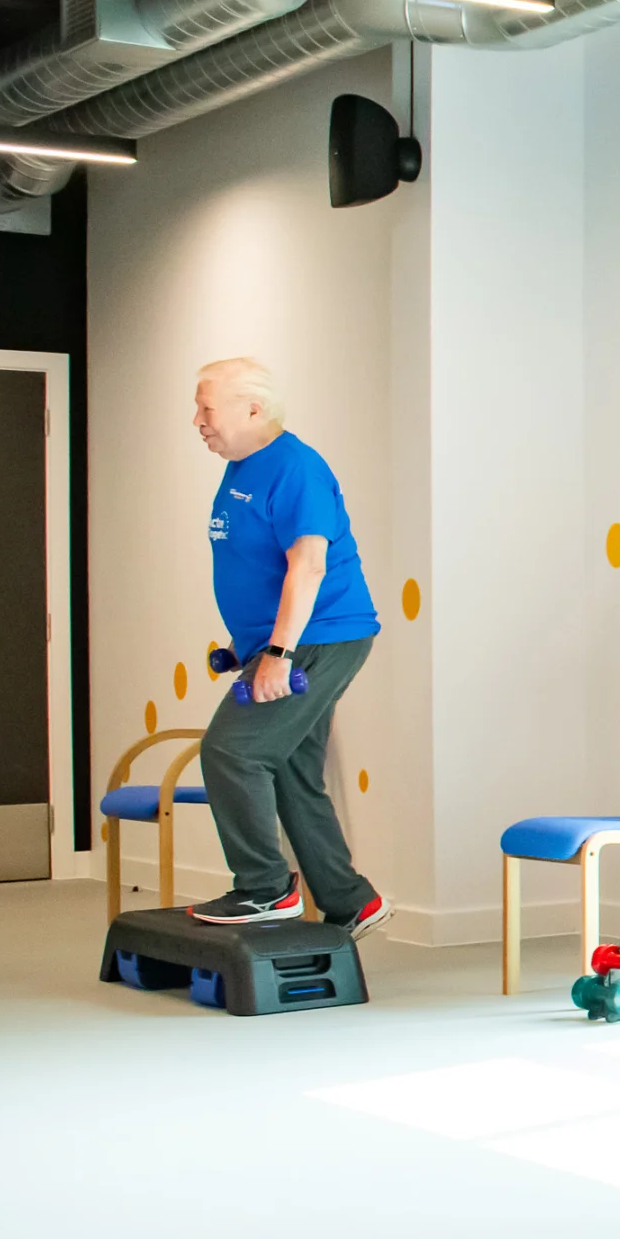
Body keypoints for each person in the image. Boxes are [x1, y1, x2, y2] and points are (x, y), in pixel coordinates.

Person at [184, 358, 389, 936]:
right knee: (293, 771)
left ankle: (264, 889)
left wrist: (278, 655)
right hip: (288, 642)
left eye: (206, 407)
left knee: (232, 752)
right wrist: (245, 646)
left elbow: (310, 563)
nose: (197, 419)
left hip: (320, 638)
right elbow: (257, 565)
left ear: (252, 409)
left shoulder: (294, 467)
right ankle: (350, 899)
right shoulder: (243, 467)